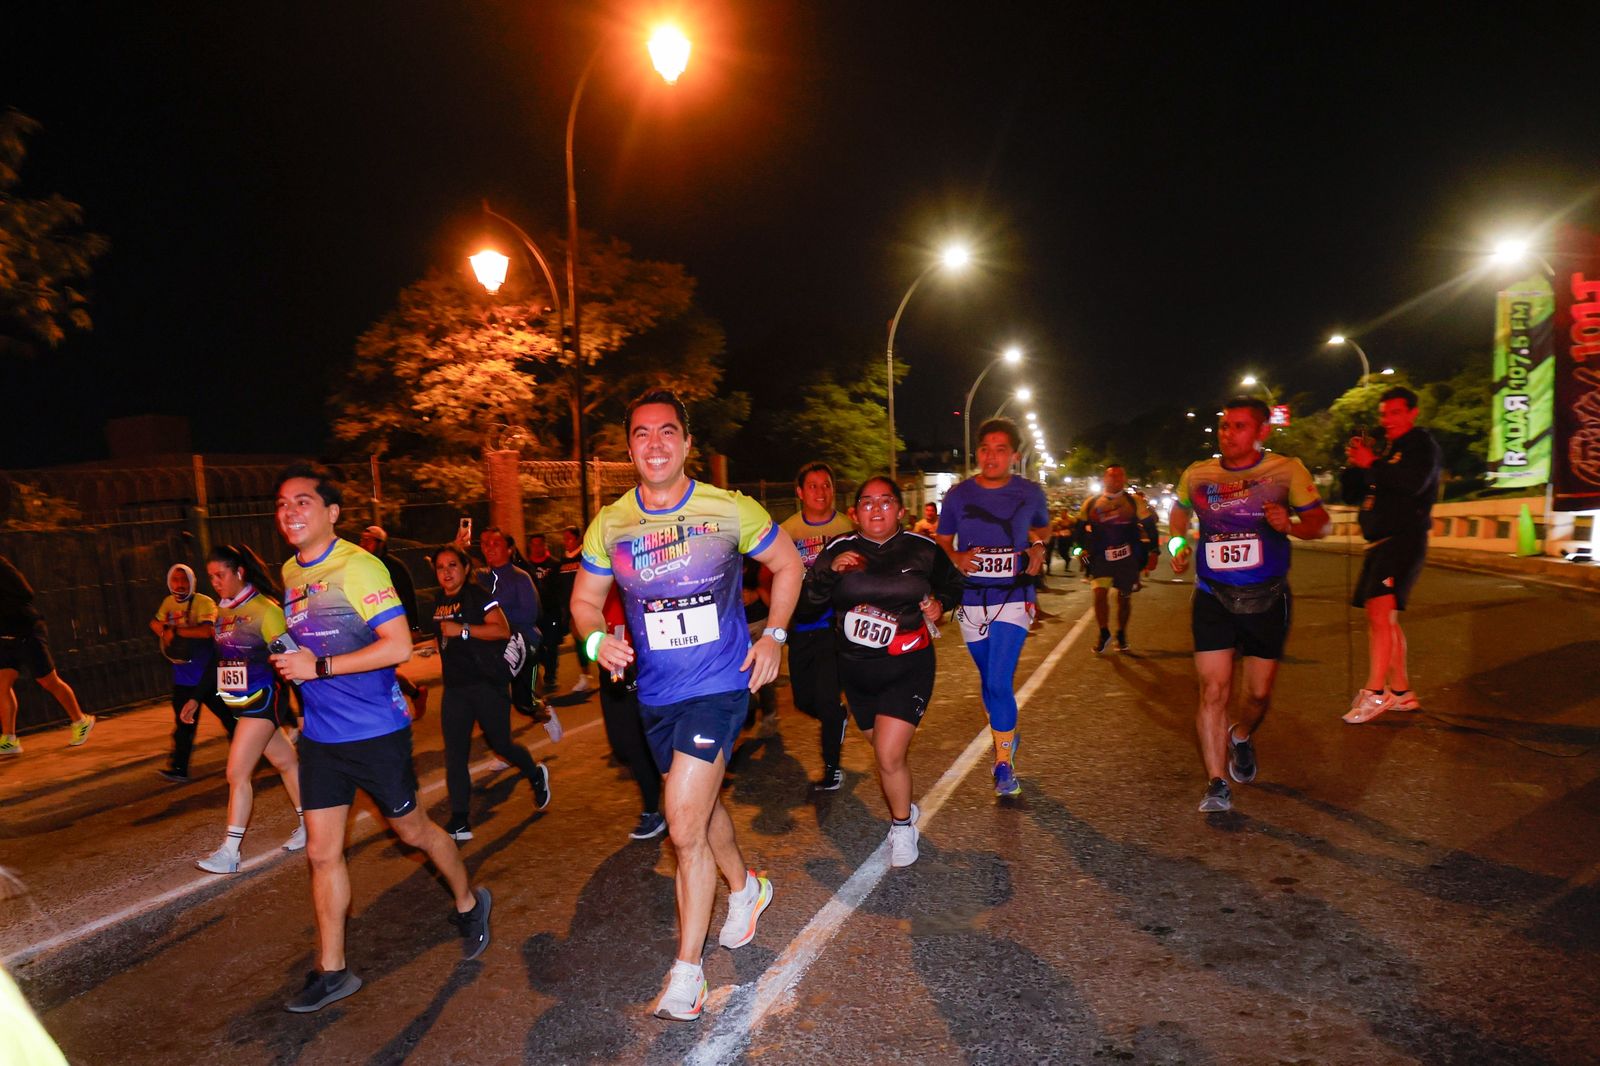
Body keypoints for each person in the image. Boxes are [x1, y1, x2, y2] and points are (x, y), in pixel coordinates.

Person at [570, 389, 803, 1022]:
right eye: (642, 434)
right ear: (629, 449)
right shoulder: (610, 523)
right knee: (696, 808)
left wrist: (775, 635)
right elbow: (583, 603)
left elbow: (788, 565)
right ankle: (746, 888)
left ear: (687, 443)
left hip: (719, 686)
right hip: (655, 695)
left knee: (681, 824)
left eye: (667, 432)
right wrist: (595, 641)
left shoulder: (728, 508)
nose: (655, 444)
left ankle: (686, 974)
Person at [269, 463, 490, 1014]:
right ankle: (333, 970)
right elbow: (314, 645)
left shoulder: (360, 567)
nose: (290, 512)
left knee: (413, 831)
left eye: (302, 502)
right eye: (282, 505)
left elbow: (397, 647)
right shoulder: (290, 573)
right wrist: (293, 665)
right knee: (321, 853)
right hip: (322, 738)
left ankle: (469, 901)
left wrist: (318, 667)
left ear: (332, 512)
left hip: (375, 733)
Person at [1168, 398, 1329, 813]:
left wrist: (1290, 525)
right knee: (1213, 690)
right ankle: (1216, 782)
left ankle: (1240, 735)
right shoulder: (1198, 474)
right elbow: (1179, 511)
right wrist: (1177, 542)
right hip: (1213, 595)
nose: (1228, 433)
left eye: (1239, 426)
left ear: (1262, 432)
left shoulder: (1286, 470)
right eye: (1225, 425)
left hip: (1267, 598)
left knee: (1257, 696)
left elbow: (1322, 523)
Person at [801, 476, 963, 867]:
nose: (876, 509)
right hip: (855, 671)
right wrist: (829, 572)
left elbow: (953, 584)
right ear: (855, 512)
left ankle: (902, 826)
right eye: (867, 502)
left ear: (900, 510)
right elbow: (806, 604)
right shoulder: (838, 548)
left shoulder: (922, 548)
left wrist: (940, 604)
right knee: (885, 753)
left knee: (889, 755)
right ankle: (902, 800)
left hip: (908, 665)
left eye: (885, 501)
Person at [935, 418, 1050, 797]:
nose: (991, 456)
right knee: (989, 682)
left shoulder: (1029, 492)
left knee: (999, 681)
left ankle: (1003, 764)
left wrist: (1038, 546)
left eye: (1001, 450)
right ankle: (1007, 734)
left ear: (1014, 456)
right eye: (985, 449)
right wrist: (957, 557)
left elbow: (1043, 528)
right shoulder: (958, 495)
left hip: (1014, 596)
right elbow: (943, 539)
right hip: (971, 600)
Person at [186, 544, 306, 873]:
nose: (215, 583)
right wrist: (196, 697)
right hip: (240, 704)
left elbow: (293, 662)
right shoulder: (223, 612)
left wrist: (303, 711)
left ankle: (230, 853)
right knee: (286, 762)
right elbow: (218, 659)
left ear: (239, 572)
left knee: (237, 773)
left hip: (264, 701)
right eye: (211, 577)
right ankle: (310, 822)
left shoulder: (266, 611)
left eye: (220, 575)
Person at [430, 545, 551, 840]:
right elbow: (444, 636)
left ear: (465, 568)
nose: (446, 572)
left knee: (502, 745)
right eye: (441, 567)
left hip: (486, 684)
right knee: (455, 755)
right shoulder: (438, 601)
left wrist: (463, 630)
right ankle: (460, 821)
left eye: (452, 565)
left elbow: (501, 629)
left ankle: (535, 773)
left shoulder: (478, 595)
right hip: (455, 688)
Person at [1339, 386, 1442, 723]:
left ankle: (1375, 692)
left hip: (1403, 540)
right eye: (1384, 414)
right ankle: (1400, 692)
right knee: (1383, 618)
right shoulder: (1386, 449)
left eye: (1395, 413)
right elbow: (1352, 493)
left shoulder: (1421, 444)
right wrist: (1356, 463)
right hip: (1380, 543)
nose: (1388, 420)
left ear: (1412, 413)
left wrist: (1373, 463)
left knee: (1381, 616)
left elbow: (1413, 483)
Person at [777, 461, 854, 789]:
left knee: (825, 697)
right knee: (803, 700)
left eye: (826, 485)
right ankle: (838, 716)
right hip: (800, 626)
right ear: (800, 492)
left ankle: (831, 768)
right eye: (813, 486)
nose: (821, 492)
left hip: (833, 627)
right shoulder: (787, 531)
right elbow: (772, 576)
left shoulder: (847, 528)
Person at [0, 555, 94, 754]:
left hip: (26, 629)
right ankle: (9, 739)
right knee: (2, 685)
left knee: (48, 681)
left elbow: (26, 593)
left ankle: (80, 720)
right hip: (5, 635)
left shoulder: (1, 566)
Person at [150, 563, 234, 782]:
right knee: (183, 725)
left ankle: (249, 757)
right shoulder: (168, 603)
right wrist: (165, 630)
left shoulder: (204, 603)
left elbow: (207, 631)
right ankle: (179, 767)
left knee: (231, 720)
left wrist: (175, 630)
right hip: (183, 677)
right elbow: (155, 623)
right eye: (175, 579)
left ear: (192, 581)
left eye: (184, 579)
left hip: (209, 676)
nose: (180, 584)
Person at [596, 584, 666, 840]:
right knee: (621, 747)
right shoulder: (594, 582)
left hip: (640, 663)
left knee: (637, 745)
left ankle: (653, 811)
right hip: (609, 666)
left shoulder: (632, 579)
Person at [1075, 465, 1160, 653]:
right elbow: (1079, 530)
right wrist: (1081, 549)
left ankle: (1121, 633)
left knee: (1124, 598)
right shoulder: (1091, 503)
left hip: (1127, 557)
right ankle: (1104, 632)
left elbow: (1150, 528)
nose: (1116, 479)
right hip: (1101, 557)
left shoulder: (1134, 502)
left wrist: (1154, 551)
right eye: (1112, 476)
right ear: (1105, 479)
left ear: (1125, 479)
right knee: (1099, 594)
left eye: (1120, 476)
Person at [479, 527, 544, 720]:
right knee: (488, 692)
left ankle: (541, 708)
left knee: (524, 703)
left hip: (522, 640)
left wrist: (495, 617)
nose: (489, 548)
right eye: (485, 544)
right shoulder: (480, 577)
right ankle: (494, 725)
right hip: (492, 644)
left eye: (496, 544)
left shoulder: (520, 577)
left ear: (509, 549)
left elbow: (529, 614)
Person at [524, 533, 564, 695]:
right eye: (533, 544)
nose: (537, 548)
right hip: (534, 613)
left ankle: (550, 676)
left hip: (551, 612)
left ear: (545, 545)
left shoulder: (554, 565)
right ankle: (540, 672)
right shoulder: (526, 566)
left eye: (539, 544)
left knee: (552, 645)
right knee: (537, 645)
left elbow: (560, 589)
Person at [557, 527, 596, 694]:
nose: (566, 542)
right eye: (564, 539)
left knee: (595, 639)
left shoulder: (586, 557)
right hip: (572, 609)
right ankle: (585, 675)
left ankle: (609, 671)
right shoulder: (562, 562)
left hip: (590, 606)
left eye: (569, 538)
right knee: (580, 643)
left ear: (578, 539)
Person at [358, 526, 419, 632]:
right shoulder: (358, 567)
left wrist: (414, 627)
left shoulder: (395, 567)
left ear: (381, 544)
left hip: (394, 625)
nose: (364, 544)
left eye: (368, 540)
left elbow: (409, 598)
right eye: (362, 540)